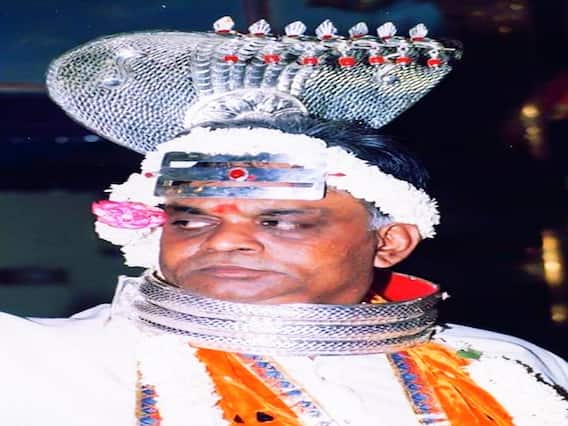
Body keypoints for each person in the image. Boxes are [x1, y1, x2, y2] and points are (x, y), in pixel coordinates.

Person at [2, 17, 567, 425]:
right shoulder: (38, 361)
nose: (226, 242)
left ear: (390, 242)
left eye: (281, 221)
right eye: (192, 220)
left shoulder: (513, 367)